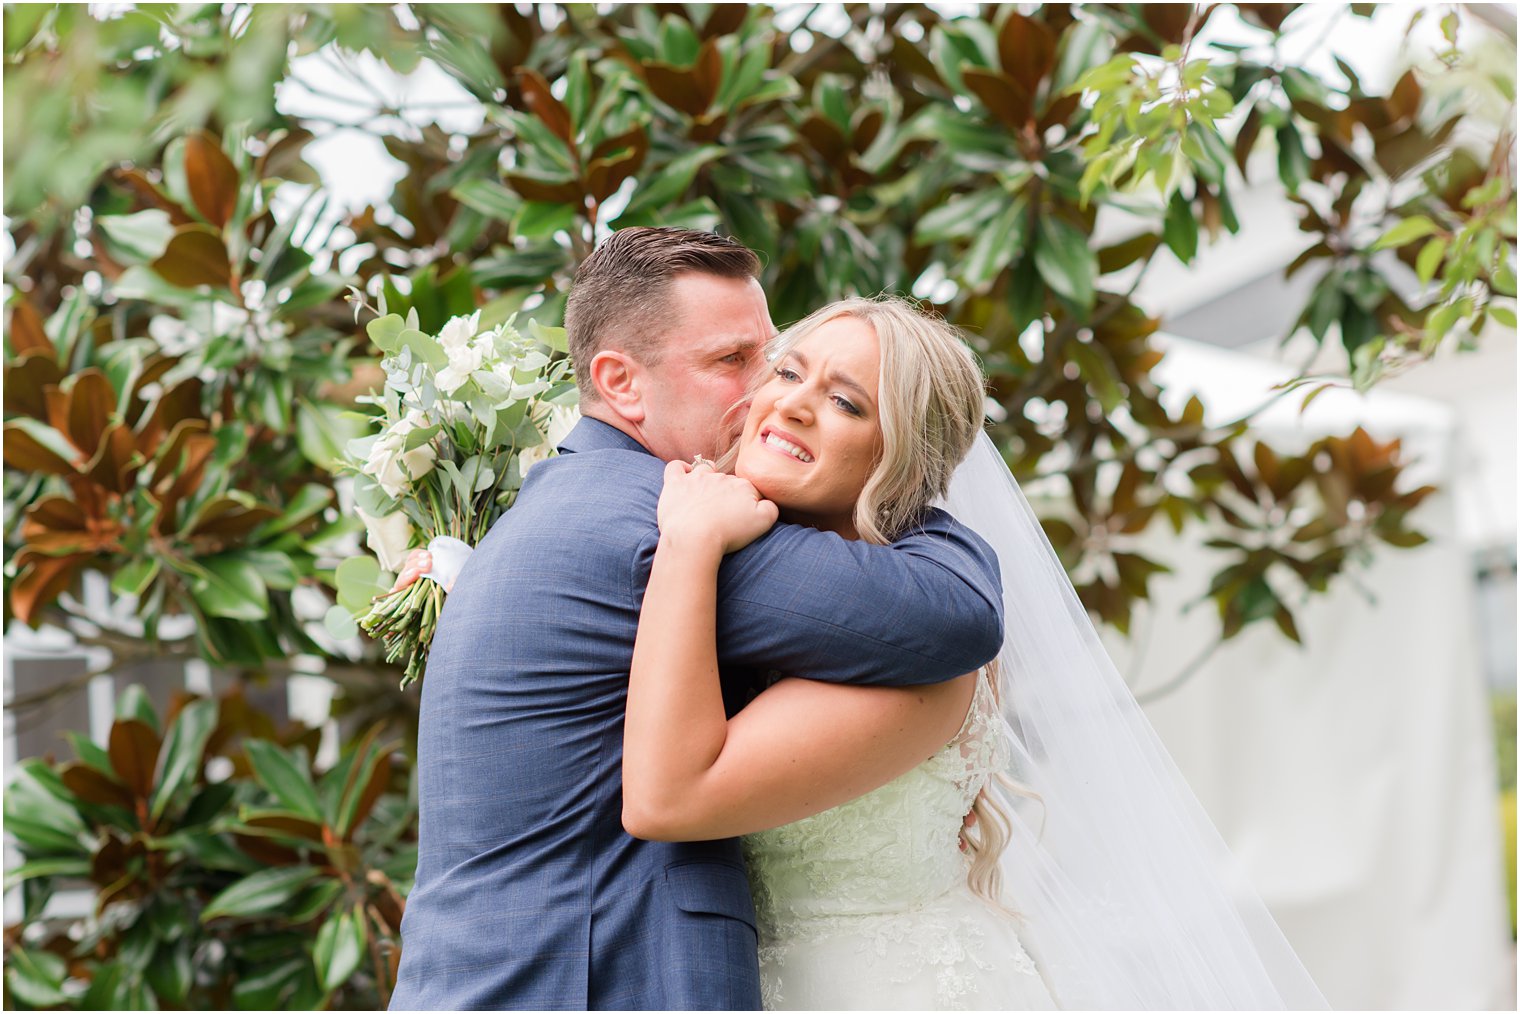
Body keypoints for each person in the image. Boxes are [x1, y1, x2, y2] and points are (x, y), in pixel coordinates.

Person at [618, 295, 1329, 1010]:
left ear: (900, 459)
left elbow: (667, 797)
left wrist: (688, 542)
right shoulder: (771, 580)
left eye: (846, 403)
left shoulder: (918, 645)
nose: (796, 405)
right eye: (788, 372)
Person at [386, 229, 1008, 1011]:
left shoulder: (576, 505)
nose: (767, 396)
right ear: (621, 383)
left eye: (840, 397)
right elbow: (953, 611)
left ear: (901, 455)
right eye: (740, 362)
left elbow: (947, 624)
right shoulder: (659, 522)